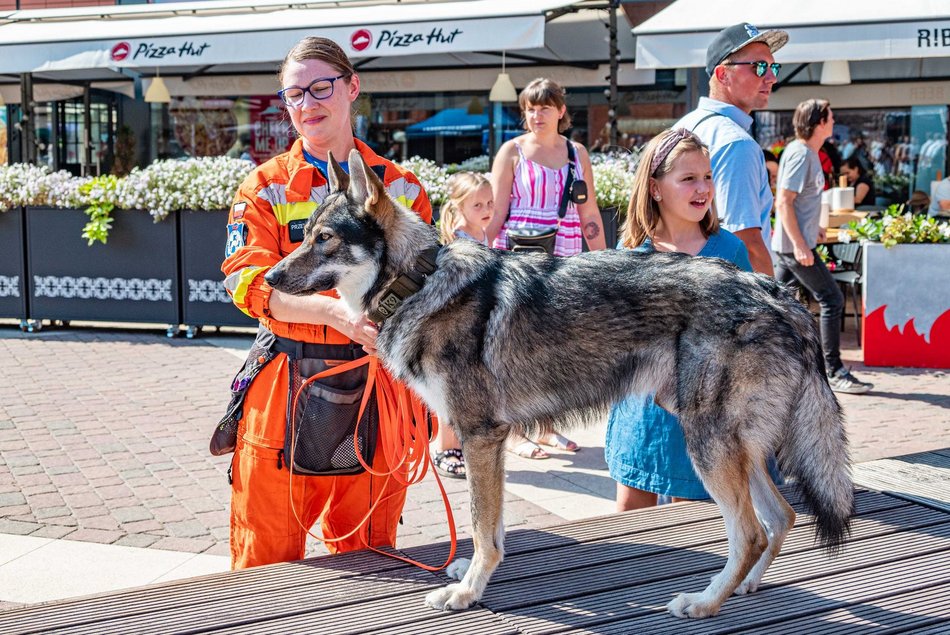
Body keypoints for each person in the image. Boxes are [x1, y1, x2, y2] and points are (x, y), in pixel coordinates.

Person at [219, 36, 433, 568]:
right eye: (294, 94)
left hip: (379, 387)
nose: (308, 104)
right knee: (265, 561)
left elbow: (432, 277)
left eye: (321, 87)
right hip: (286, 381)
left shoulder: (402, 188)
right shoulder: (265, 187)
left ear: (352, 87)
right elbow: (247, 283)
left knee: (371, 559)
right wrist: (334, 313)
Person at [606, 128, 754, 509]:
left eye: (707, 177)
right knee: (629, 524)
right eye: (688, 179)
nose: (702, 188)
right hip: (643, 418)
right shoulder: (630, 255)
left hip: (706, 419)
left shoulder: (730, 251)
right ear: (655, 188)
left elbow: (749, 337)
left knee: (695, 529)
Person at [486, 77, 606, 459]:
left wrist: (605, 264)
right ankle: (518, 431)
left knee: (556, 345)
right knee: (518, 346)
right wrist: (480, 254)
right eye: (530, 108)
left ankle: (548, 426)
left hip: (564, 257)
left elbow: (589, 213)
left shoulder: (576, 153)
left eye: (544, 107)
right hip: (519, 260)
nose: (536, 115)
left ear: (560, 111)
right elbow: (496, 210)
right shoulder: (512, 151)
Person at [772, 98, 872, 395]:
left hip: (793, 244)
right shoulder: (801, 154)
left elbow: (801, 201)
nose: (833, 121)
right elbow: (784, 202)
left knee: (775, 307)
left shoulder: (811, 153)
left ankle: (778, 366)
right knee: (832, 299)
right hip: (794, 248)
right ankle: (835, 370)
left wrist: (812, 225)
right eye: (830, 117)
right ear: (818, 122)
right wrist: (801, 244)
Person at [675, 22, 789, 276]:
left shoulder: (684, 126)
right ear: (723, 74)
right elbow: (745, 240)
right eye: (759, 67)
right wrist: (776, 306)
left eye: (774, 67)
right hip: (726, 296)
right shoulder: (736, 143)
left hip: (683, 284)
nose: (772, 77)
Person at [428, 171, 495, 479]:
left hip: (475, 323)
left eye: (489, 203)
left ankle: (459, 446)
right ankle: (444, 447)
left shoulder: (482, 234)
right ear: (459, 207)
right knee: (450, 390)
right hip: (456, 326)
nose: (486, 210)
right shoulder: (458, 241)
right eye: (478, 205)